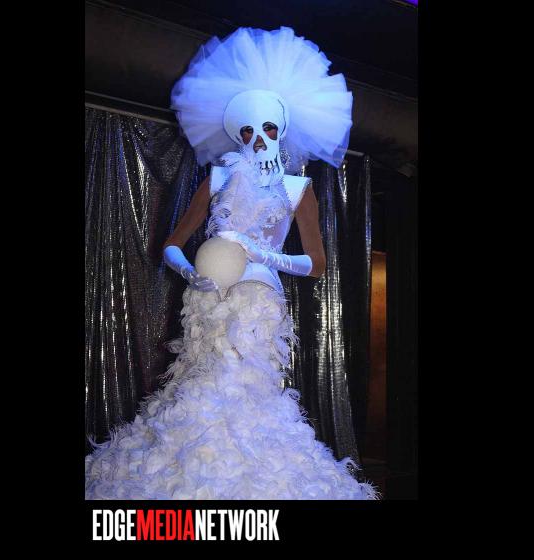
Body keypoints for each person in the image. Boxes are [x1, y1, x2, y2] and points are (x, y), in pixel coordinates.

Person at [85, 26, 379, 500]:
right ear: (238, 134)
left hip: (257, 299)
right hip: (207, 299)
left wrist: (261, 254)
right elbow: (172, 244)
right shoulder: (218, 178)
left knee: (243, 386)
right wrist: (189, 272)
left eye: (268, 128)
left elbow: (317, 264)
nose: (258, 139)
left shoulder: (297, 189)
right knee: (201, 381)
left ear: (280, 130)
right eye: (248, 130)